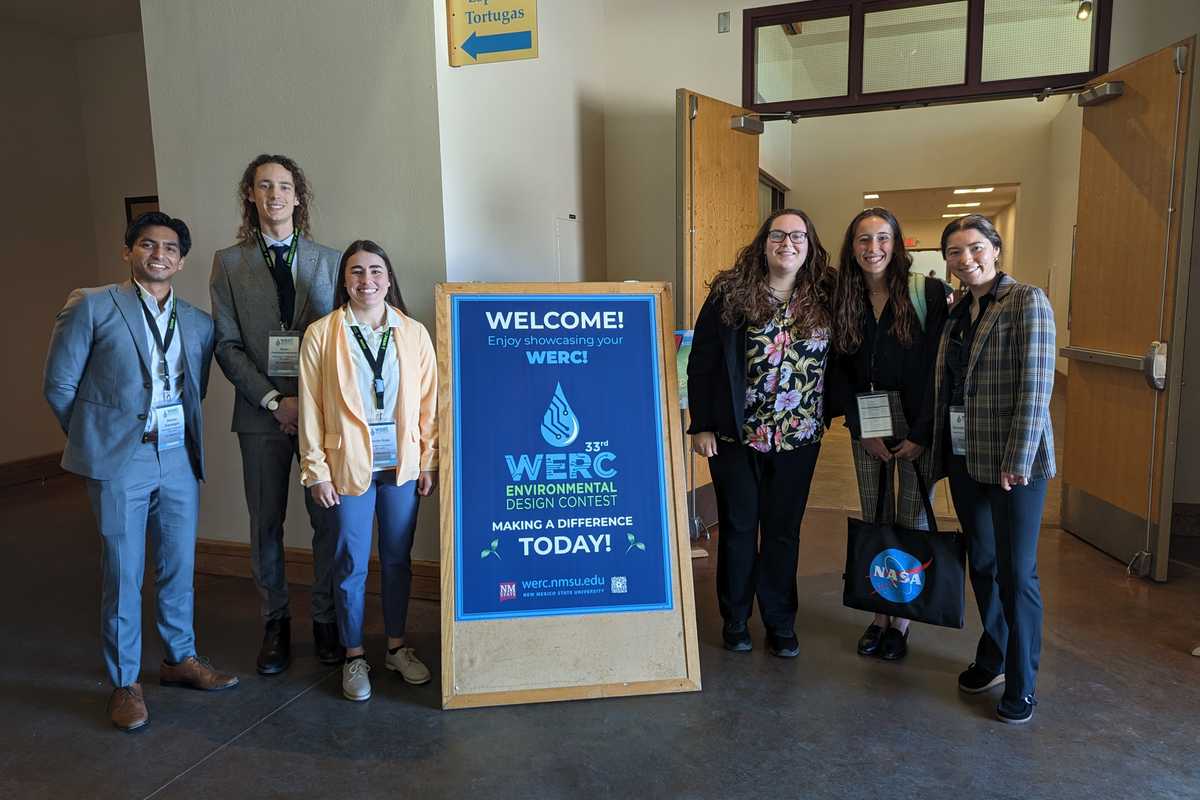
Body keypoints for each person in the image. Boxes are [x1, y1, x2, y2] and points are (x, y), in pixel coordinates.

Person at [44, 212, 238, 731]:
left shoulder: (198, 323)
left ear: (181, 261)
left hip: (176, 456)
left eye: (170, 248)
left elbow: (193, 391)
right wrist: (96, 441)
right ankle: (125, 682)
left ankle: (180, 658)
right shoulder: (93, 304)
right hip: (119, 460)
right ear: (128, 251)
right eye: (148, 244)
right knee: (123, 570)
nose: (159, 254)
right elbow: (59, 385)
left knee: (179, 564)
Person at [210, 154, 341, 675]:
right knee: (266, 522)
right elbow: (227, 345)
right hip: (260, 413)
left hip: (321, 415)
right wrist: (273, 400)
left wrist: (306, 404)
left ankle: (326, 619)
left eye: (284, 186)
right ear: (251, 195)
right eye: (264, 186)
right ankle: (276, 623)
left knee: (327, 520)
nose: (275, 195)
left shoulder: (330, 260)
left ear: (298, 196)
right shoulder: (228, 263)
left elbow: (341, 341)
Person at [687, 208, 835, 658]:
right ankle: (735, 618)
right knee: (737, 527)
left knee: (782, 532)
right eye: (777, 235)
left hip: (799, 437)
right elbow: (703, 361)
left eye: (797, 236)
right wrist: (702, 424)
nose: (787, 243)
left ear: (810, 246)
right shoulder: (731, 293)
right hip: (736, 436)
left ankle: (779, 621)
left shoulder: (827, 295)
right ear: (763, 242)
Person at [926, 214, 1055, 724]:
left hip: (1012, 464)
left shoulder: (1026, 301)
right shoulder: (958, 311)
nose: (967, 259)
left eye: (976, 247)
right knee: (981, 562)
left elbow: (1036, 387)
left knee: (1017, 571)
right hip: (966, 457)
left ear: (996, 249)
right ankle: (995, 652)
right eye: (955, 252)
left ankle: (1023, 683)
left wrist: (1017, 459)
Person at [298, 240, 437, 701]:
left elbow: (429, 405)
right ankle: (354, 654)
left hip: (401, 465)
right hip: (346, 465)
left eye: (376, 270)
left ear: (389, 278)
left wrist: (428, 459)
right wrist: (316, 471)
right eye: (356, 271)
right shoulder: (322, 334)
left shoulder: (413, 333)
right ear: (344, 280)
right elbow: (311, 409)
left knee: (398, 559)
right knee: (350, 563)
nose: (367, 280)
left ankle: (396, 647)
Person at [830, 208, 948, 662]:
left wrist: (922, 432)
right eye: (864, 239)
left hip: (919, 420)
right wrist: (861, 429)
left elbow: (939, 367)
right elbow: (839, 368)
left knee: (912, 518)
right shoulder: (844, 296)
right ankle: (879, 612)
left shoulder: (926, 292)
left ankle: (902, 619)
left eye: (883, 238)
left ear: (897, 244)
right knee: (876, 515)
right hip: (868, 419)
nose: (873, 248)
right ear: (852, 246)